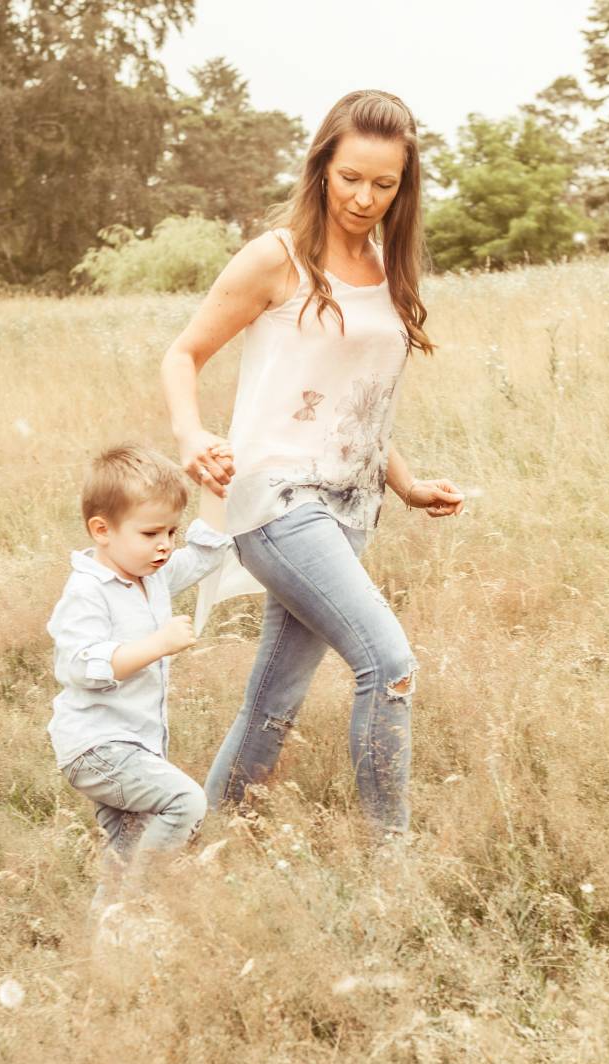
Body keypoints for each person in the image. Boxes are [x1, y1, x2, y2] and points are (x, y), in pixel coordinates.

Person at [159, 89, 464, 843]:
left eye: (384, 184)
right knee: (388, 663)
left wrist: (407, 485)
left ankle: (201, 845)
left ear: (403, 185)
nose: (364, 198)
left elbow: (357, 404)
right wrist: (192, 435)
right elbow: (183, 353)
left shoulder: (385, 266)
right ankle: (392, 860)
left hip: (350, 510)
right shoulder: (279, 256)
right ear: (322, 166)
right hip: (276, 500)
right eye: (350, 177)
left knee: (274, 701)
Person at [46, 443, 233, 905]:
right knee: (185, 802)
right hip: (96, 746)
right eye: (150, 533)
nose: (165, 544)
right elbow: (82, 665)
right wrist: (157, 645)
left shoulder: (153, 574)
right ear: (102, 530)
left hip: (133, 743)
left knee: (126, 848)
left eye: (171, 531)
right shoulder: (88, 591)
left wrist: (215, 487)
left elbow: (205, 554)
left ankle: (111, 933)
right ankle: (137, 903)